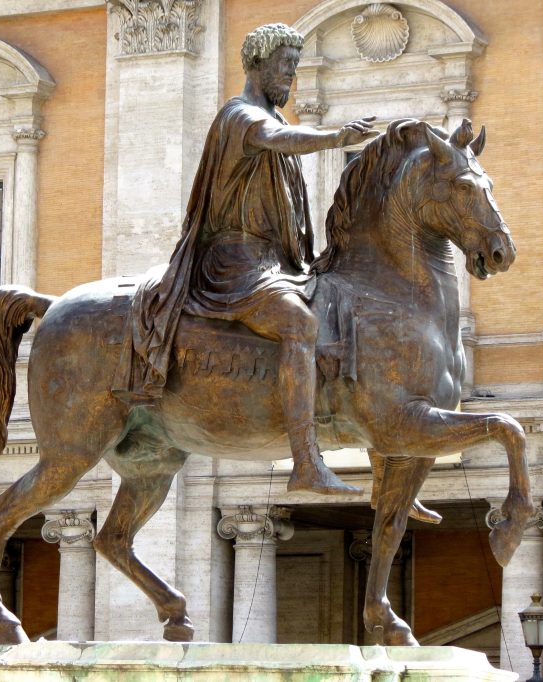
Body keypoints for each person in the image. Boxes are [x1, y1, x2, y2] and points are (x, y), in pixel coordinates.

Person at [113, 23, 378, 495]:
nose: (291, 77)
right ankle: (305, 461)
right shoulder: (241, 117)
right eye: (285, 65)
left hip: (276, 261)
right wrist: (338, 138)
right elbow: (281, 139)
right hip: (236, 262)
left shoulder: (265, 115)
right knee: (299, 324)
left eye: (296, 67)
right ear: (258, 62)